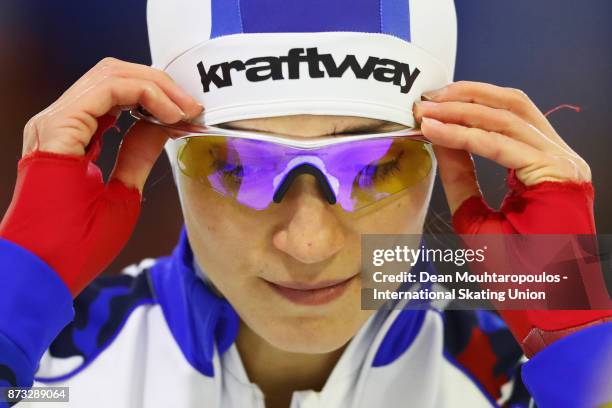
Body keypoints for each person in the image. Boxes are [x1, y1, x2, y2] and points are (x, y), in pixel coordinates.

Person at [0, 0, 610, 407]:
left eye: (372, 166)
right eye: (240, 166)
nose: (309, 242)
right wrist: (13, 299)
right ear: (167, 157)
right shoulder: (43, 372)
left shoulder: (523, 382)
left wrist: (578, 350)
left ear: (444, 158)